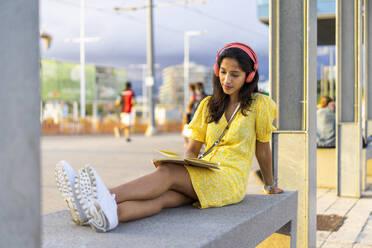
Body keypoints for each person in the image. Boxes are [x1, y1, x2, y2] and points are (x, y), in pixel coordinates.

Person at [55, 42, 283, 233]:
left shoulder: (261, 105)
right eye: (223, 72)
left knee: (166, 173)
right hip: (205, 171)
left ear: (249, 76)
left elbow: (262, 148)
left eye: (235, 74)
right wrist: (186, 163)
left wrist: (270, 185)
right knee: (163, 197)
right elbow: (193, 149)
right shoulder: (208, 105)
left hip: (229, 179)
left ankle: (102, 196)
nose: (227, 80)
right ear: (216, 71)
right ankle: (109, 216)